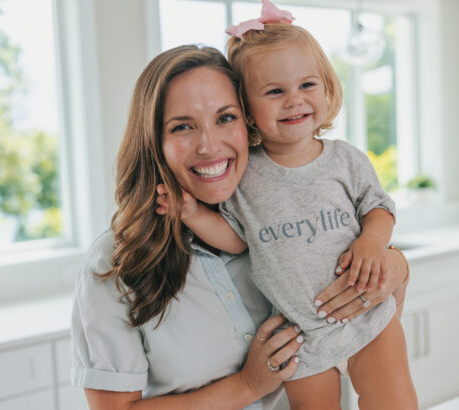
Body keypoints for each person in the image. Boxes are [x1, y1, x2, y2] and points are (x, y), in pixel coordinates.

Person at [71, 44, 411, 410]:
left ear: (248, 119)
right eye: (183, 126)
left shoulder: (288, 204)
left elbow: (361, 331)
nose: (209, 145)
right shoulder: (116, 262)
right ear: (154, 140)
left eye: (225, 118)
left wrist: (397, 268)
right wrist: (247, 385)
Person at [155, 2, 417, 409]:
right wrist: (191, 214)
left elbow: (379, 207)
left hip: (368, 319)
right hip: (302, 338)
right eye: (275, 92)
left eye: (307, 85)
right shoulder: (243, 179)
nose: (294, 100)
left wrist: (373, 242)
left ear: (327, 87)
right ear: (246, 110)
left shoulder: (345, 159)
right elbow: (238, 241)